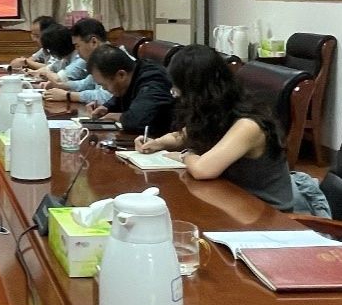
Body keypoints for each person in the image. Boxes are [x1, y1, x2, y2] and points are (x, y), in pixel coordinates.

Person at [134, 45, 329, 216]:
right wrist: (157, 143)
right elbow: (184, 135)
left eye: (179, 90)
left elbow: (203, 170)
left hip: (267, 216)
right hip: (234, 202)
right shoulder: (217, 110)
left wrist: (186, 155)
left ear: (196, 91)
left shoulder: (248, 125)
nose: (177, 96)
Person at [80, 44, 174, 135]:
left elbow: (136, 121)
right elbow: (123, 96)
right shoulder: (134, 73)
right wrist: (107, 107)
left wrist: (114, 116)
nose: (104, 89)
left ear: (121, 75)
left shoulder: (153, 80)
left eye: (104, 85)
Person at [41, 18, 110, 101]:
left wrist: (68, 95)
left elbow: (106, 96)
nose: (76, 51)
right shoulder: (100, 59)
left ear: (93, 42)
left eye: (78, 46)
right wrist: (60, 85)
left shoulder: (113, 59)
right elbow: (86, 84)